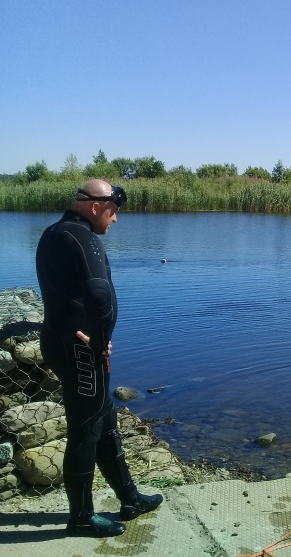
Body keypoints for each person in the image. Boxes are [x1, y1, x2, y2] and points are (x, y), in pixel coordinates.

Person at [36, 179, 163, 537]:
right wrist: (101, 339)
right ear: (97, 206)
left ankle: (130, 498)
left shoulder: (54, 232)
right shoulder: (82, 237)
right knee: (85, 429)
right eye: (115, 211)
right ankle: (80, 519)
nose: (116, 220)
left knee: (103, 418)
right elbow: (98, 293)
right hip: (79, 347)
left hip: (62, 340)